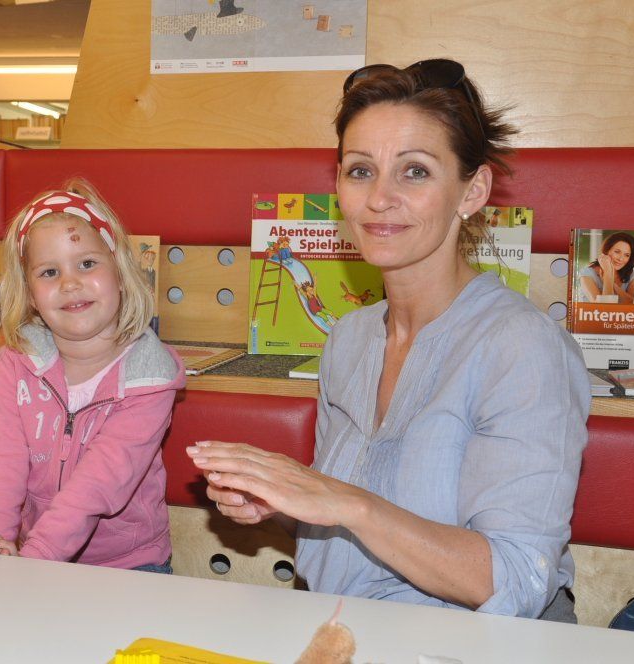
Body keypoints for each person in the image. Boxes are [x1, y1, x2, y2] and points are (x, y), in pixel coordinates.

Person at [187, 59, 589, 619]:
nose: (379, 198)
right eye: (360, 170)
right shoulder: (350, 337)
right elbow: (344, 525)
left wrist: (343, 501)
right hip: (347, 627)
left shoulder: (522, 347)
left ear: (472, 190)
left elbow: (518, 579)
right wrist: (279, 499)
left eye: (414, 171)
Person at [0, 178, 185, 573]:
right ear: (30, 294)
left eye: (86, 264)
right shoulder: (15, 364)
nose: (69, 283)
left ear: (120, 271)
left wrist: (33, 562)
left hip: (130, 566)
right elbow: (2, 468)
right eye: (49, 272)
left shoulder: (149, 377)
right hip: (36, 557)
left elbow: (96, 489)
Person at [578, 232, 634, 303]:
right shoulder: (587, 274)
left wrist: (612, 283)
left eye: (627, 255)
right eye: (617, 252)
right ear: (606, 250)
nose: (620, 259)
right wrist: (608, 272)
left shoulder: (629, 273)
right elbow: (604, 306)